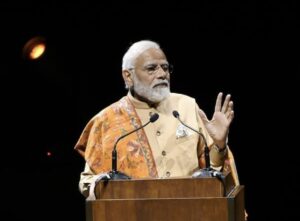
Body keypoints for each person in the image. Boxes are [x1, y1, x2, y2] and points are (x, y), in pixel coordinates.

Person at [74, 39, 241, 198]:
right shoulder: (107, 121)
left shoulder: (187, 106)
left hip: (191, 211)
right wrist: (112, 186)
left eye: (166, 68)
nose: (162, 74)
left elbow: (212, 173)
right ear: (128, 76)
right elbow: (87, 182)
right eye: (151, 68)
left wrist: (219, 145)